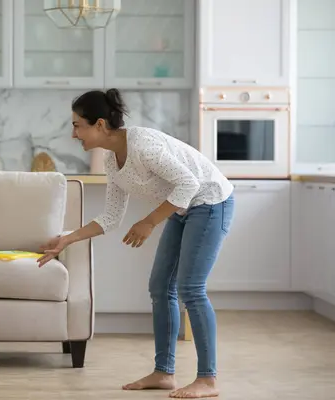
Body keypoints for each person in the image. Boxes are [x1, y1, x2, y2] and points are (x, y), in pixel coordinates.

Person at [37, 89, 234, 399]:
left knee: (191, 289)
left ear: (99, 124)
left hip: (210, 202)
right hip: (182, 208)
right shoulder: (111, 159)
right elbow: (112, 216)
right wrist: (68, 239)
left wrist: (149, 222)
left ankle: (207, 379)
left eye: (77, 125)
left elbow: (189, 183)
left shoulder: (143, 146)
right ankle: (164, 373)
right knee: (160, 287)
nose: (73, 133)